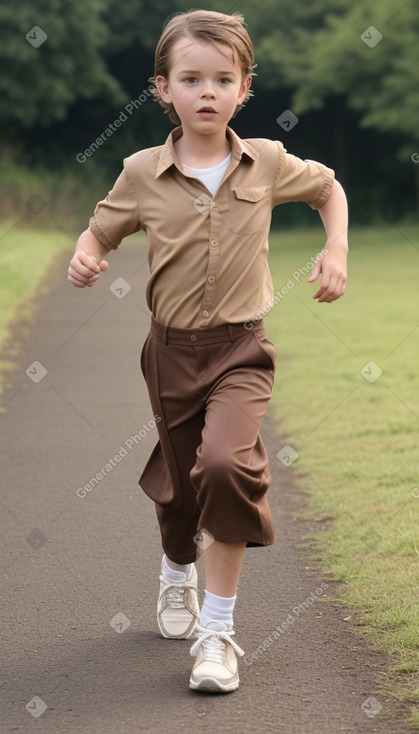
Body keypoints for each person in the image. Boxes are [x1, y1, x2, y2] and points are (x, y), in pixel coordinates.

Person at [68, 9, 348, 693]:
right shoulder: (140, 172)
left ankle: (217, 634)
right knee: (179, 488)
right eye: (190, 78)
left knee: (224, 466)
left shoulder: (268, 162)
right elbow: (100, 231)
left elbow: (327, 188)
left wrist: (334, 246)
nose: (206, 91)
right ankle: (175, 573)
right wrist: (85, 255)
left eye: (223, 78)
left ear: (243, 88)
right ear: (162, 88)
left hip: (241, 351)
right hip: (168, 353)